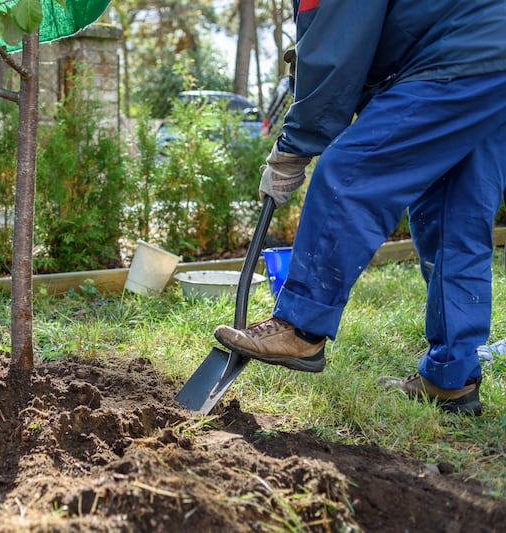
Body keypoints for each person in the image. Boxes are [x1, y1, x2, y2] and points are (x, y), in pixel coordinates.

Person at [214, 0, 506, 416]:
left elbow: (336, 52)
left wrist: (294, 146)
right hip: (491, 55)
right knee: (453, 215)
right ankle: (451, 376)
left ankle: (301, 326)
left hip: (459, 51)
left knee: (348, 173)